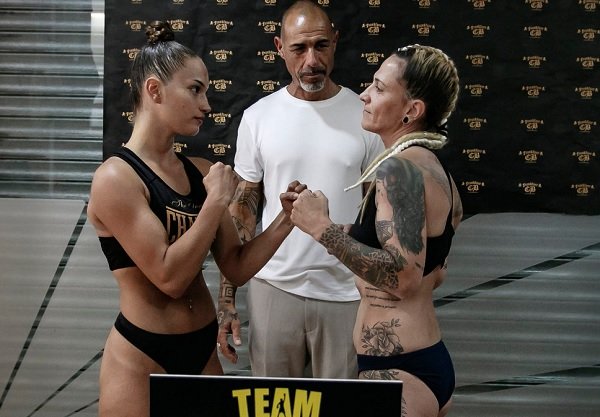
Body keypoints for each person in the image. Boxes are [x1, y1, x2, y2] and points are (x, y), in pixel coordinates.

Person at [87, 21, 304, 416]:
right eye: (195, 90)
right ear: (154, 90)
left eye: (206, 91)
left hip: (201, 352)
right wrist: (215, 202)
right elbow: (169, 278)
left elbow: (236, 267)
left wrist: (285, 220)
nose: (207, 105)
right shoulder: (115, 178)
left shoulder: (199, 170)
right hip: (142, 356)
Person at [290, 44, 462, 417]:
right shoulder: (436, 171)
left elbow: (404, 278)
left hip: (399, 373)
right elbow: (434, 271)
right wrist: (342, 229)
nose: (364, 95)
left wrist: (321, 229)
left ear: (411, 110)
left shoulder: (399, 171)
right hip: (422, 362)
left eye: (380, 88)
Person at [216, 0, 384, 378]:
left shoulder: (365, 117)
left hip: (346, 294)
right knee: (272, 403)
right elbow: (241, 213)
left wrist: (378, 296)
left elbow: (379, 213)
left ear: (335, 41)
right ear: (279, 48)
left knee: (340, 405)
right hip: (273, 288)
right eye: (299, 48)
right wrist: (227, 301)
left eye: (321, 45)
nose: (312, 60)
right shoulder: (258, 117)